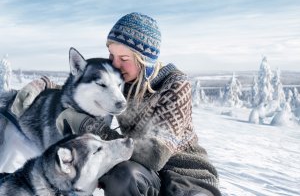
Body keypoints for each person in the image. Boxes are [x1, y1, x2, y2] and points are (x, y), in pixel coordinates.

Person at [10, 12, 221, 196]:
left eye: (123, 57)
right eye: (111, 55)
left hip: (184, 176)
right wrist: (41, 84)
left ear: (144, 61)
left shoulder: (175, 85)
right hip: (139, 173)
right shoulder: (124, 80)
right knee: (123, 176)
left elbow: (154, 155)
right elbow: (83, 84)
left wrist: (86, 125)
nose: (114, 64)